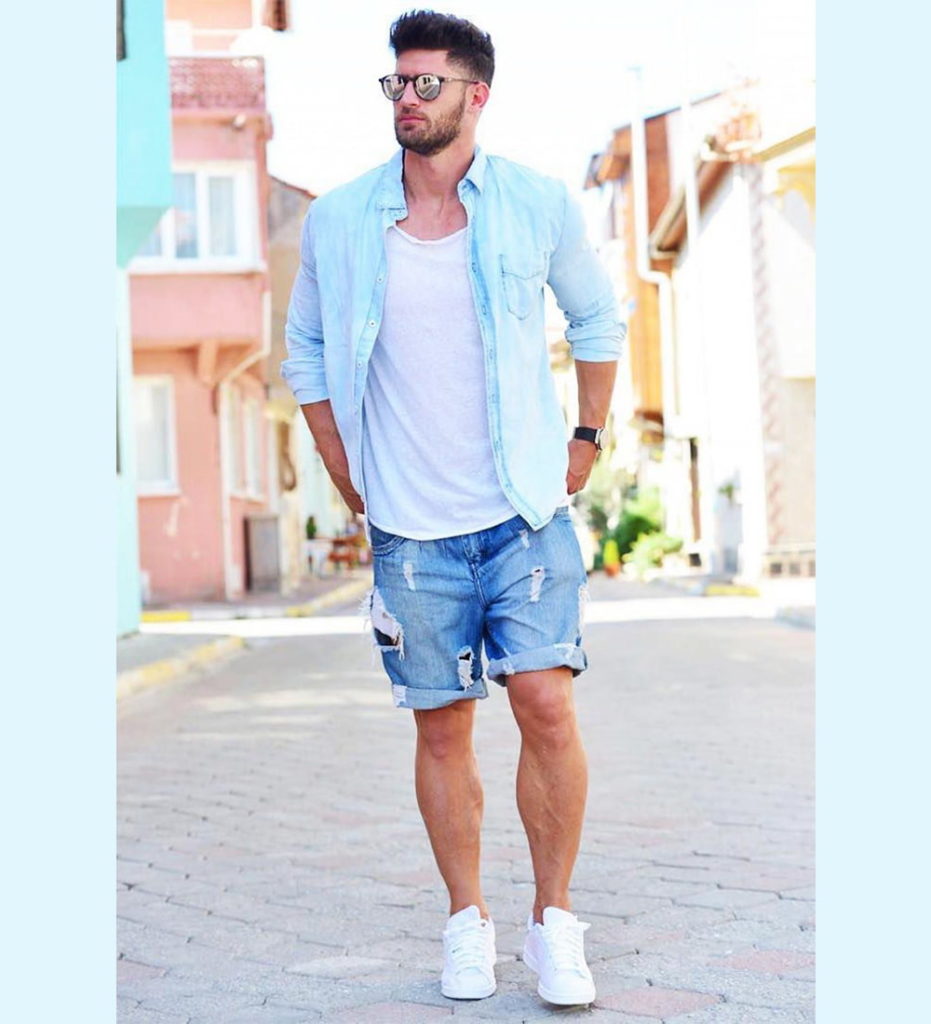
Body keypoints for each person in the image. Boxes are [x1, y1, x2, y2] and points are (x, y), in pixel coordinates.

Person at [281, 9, 626, 1008]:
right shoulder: (340, 219)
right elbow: (305, 350)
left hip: (523, 511)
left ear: (476, 95)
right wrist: (341, 462)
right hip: (410, 528)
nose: (407, 98)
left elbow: (597, 317)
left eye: (426, 83)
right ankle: (466, 921)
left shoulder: (534, 202)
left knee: (546, 704)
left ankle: (553, 924)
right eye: (397, 82)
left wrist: (585, 438)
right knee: (441, 730)